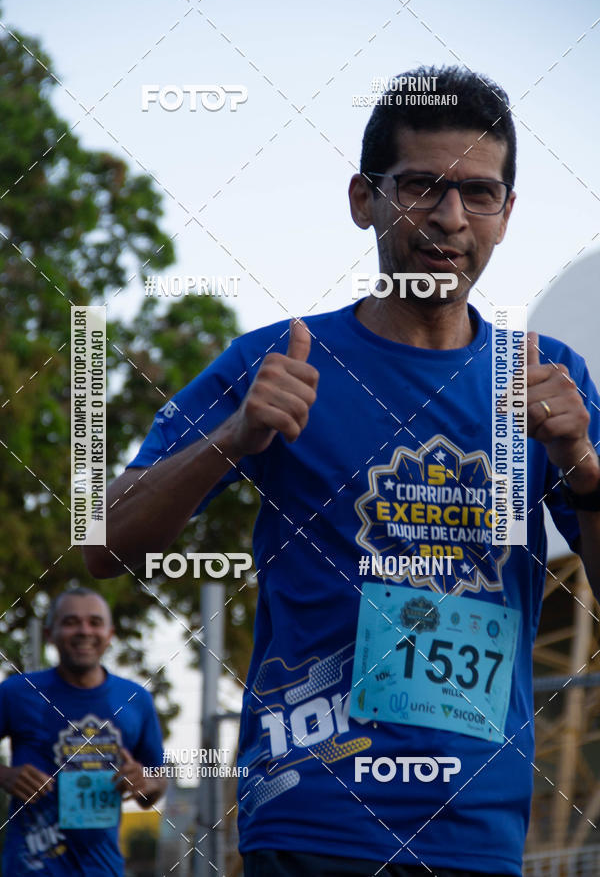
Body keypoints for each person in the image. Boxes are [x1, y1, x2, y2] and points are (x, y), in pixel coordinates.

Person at [84, 65, 600, 876]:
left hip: (480, 833)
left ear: (506, 213)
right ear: (365, 198)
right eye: (421, 186)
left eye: (480, 193)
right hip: (313, 817)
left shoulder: (545, 380)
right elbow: (98, 547)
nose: (449, 216)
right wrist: (234, 434)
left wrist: (581, 467)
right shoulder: (275, 363)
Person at [0, 587, 166, 875]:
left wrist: (146, 782)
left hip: (104, 869)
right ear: (50, 633)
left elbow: (157, 777)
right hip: (30, 866)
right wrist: (5, 775)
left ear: (110, 634)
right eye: (70, 622)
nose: (84, 631)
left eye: (95, 622)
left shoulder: (135, 699)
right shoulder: (17, 692)